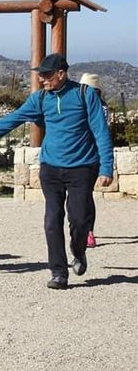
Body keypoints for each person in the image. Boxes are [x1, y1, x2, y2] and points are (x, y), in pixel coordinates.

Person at [0, 54, 113, 290]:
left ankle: (78, 251)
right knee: (51, 221)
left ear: (61, 73)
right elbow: (11, 121)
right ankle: (59, 273)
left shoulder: (85, 95)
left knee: (79, 221)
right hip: (51, 168)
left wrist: (106, 167)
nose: (41, 78)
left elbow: (101, 132)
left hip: (82, 168)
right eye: (40, 74)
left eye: (46, 74)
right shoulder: (40, 99)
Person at [79, 73, 109, 248]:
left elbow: (101, 132)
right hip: (80, 154)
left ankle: (88, 230)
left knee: (85, 195)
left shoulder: (100, 109)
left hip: (92, 155)